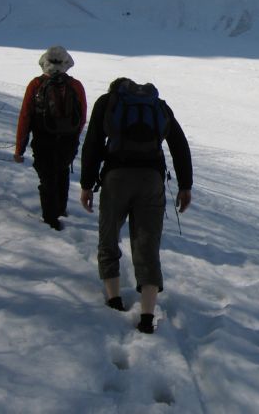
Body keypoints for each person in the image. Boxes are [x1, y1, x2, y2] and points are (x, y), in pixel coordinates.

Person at [79, 78, 192, 334]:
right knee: (147, 246)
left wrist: (87, 184)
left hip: (116, 179)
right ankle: (147, 315)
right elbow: (179, 145)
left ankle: (114, 299)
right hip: (151, 180)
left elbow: (93, 144)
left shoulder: (107, 103)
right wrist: (186, 185)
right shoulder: (159, 106)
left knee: (108, 238)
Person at [15, 46, 87, 231]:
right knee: (62, 172)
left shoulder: (36, 84)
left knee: (47, 178)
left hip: (43, 139)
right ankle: (60, 210)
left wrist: (19, 149)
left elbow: (25, 117)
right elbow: (82, 116)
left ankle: (50, 220)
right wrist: (74, 136)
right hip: (68, 140)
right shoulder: (75, 85)